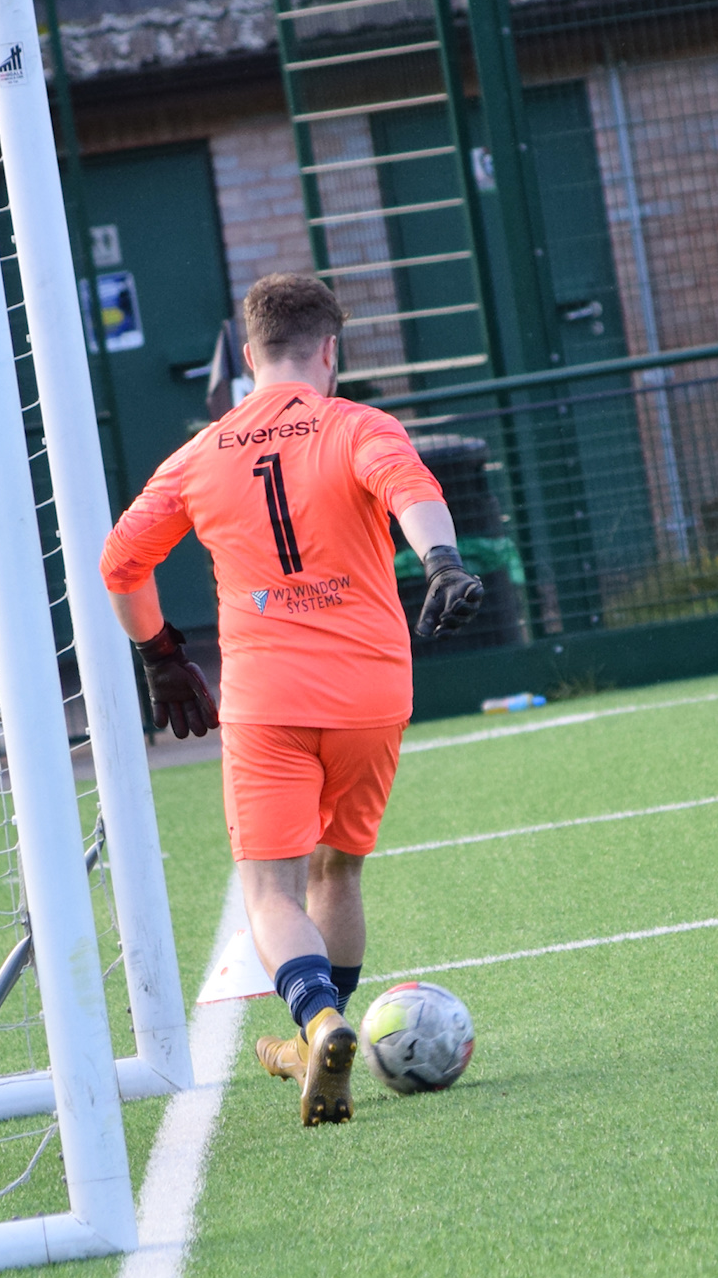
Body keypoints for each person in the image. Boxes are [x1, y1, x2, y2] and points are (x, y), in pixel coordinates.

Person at [101, 273, 484, 1128]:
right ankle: (322, 1034)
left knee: (269, 889)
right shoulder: (356, 425)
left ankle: (318, 1022)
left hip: (267, 698)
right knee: (337, 868)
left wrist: (161, 655)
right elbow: (410, 488)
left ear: (249, 356)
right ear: (329, 351)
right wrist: (443, 563)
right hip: (371, 690)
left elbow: (120, 561)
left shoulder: (202, 452)